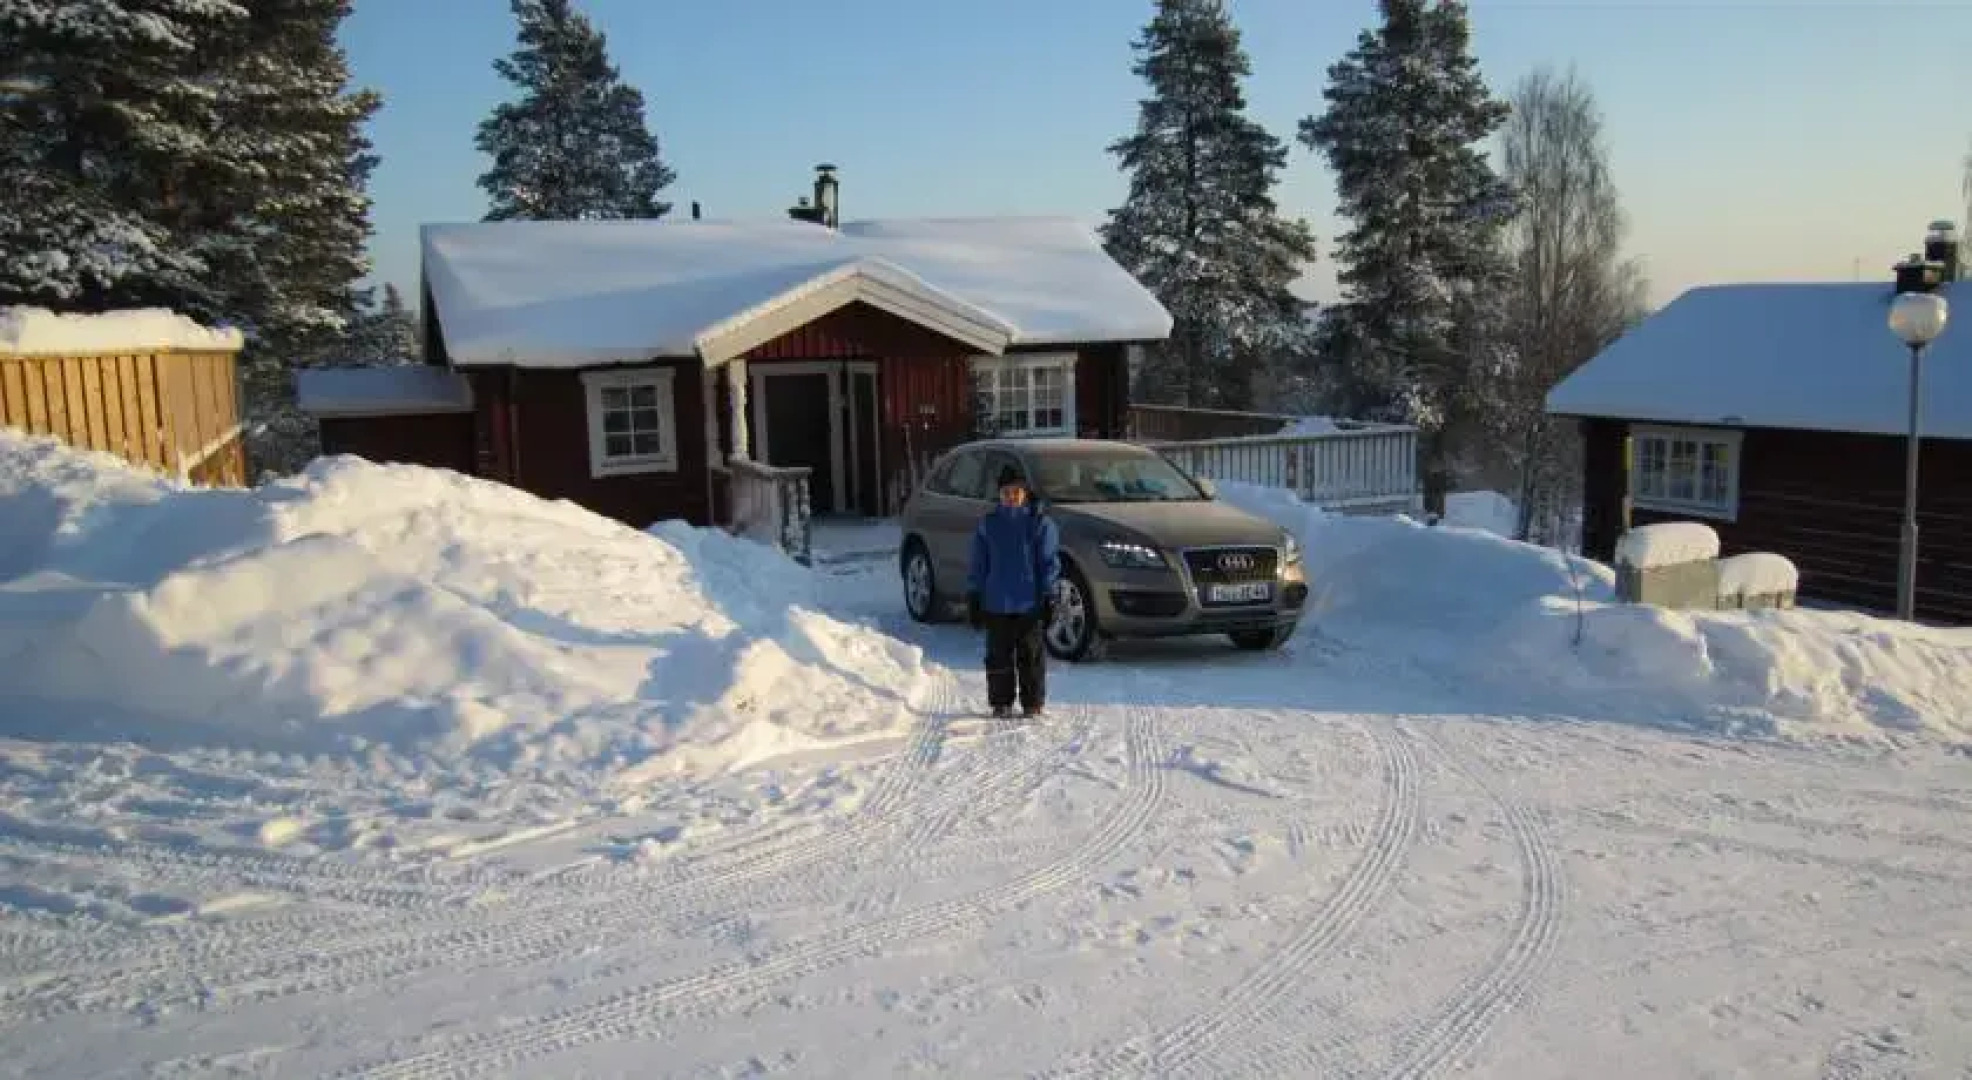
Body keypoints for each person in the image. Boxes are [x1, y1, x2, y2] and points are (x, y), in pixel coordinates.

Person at [966, 464, 1061, 718]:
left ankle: (1033, 702)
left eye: (1016, 492)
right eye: (1006, 492)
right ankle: (1001, 701)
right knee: (998, 657)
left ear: (1025, 494)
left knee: (1031, 657)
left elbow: (1048, 562)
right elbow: (978, 562)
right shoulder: (989, 525)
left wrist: (1049, 595)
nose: (1011, 497)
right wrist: (975, 594)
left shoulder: (1039, 524)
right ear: (999, 495)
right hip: (996, 603)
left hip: (1029, 604)